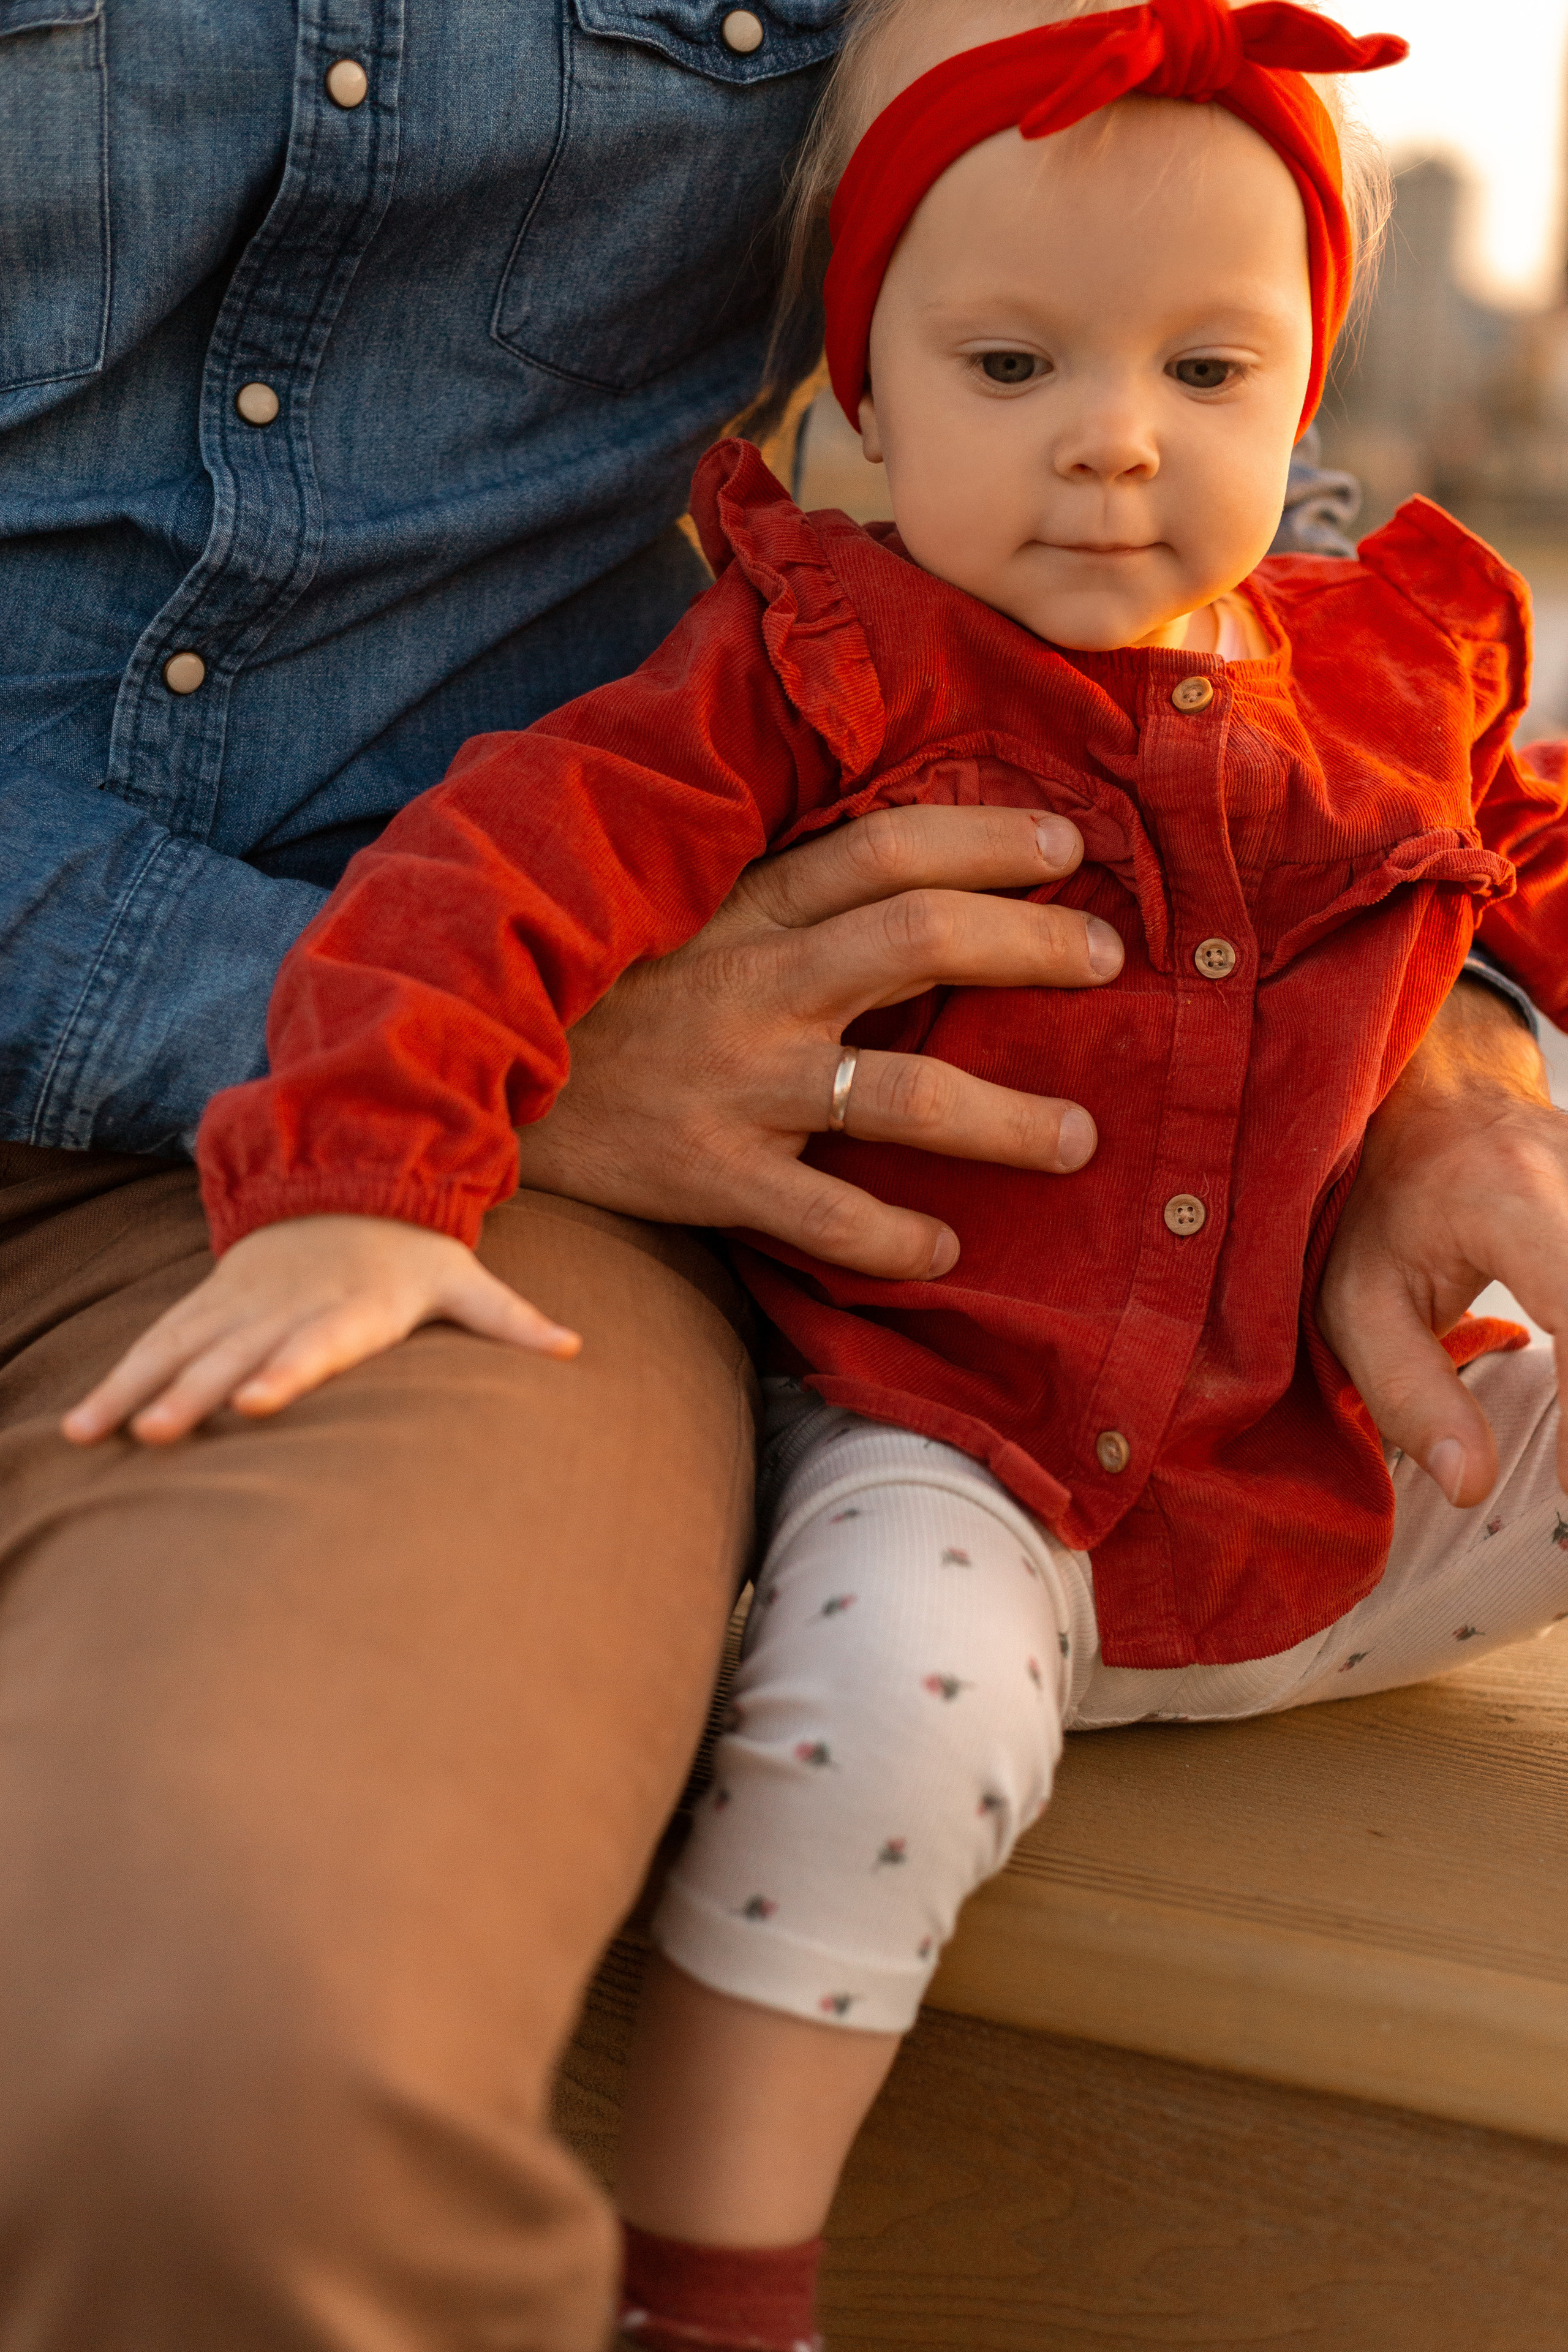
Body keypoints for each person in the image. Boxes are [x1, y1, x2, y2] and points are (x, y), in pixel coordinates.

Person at [3, 12, 1565, 2352]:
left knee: (244, 2105)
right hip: (427, 1107)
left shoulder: (1342, 620)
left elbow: (1179, 309)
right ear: (871, 402)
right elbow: (524, 867)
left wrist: (1423, 1039)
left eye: (1207, 386)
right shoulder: (798, 669)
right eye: (1018, 372)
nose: (1121, 443)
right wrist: (370, 1109)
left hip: (495, 1158)